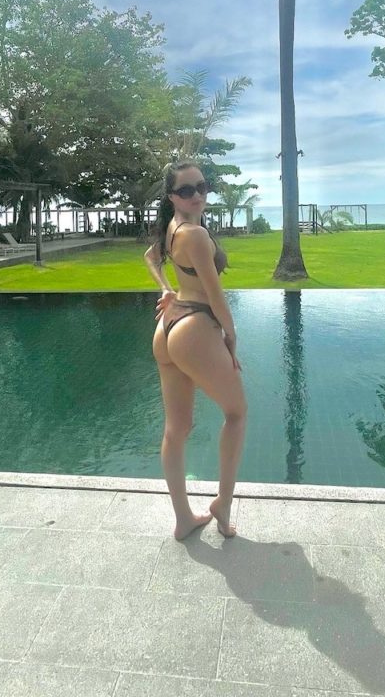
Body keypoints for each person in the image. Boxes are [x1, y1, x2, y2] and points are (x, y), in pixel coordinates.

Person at [144, 161, 247, 540]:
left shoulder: (172, 228)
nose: (198, 195)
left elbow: (151, 258)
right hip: (195, 326)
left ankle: (184, 518)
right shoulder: (196, 235)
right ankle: (221, 502)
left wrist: (165, 289)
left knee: (177, 428)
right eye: (187, 190)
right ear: (172, 196)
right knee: (237, 414)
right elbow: (217, 298)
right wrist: (230, 338)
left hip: (169, 325)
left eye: (202, 187)